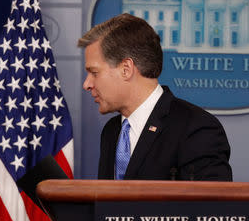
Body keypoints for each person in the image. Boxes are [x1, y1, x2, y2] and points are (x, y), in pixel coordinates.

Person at [78, 13, 232, 181]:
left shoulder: (196, 128)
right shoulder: (111, 131)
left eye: (94, 72)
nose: (87, 84)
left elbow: (211, 206)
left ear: (126, 69)